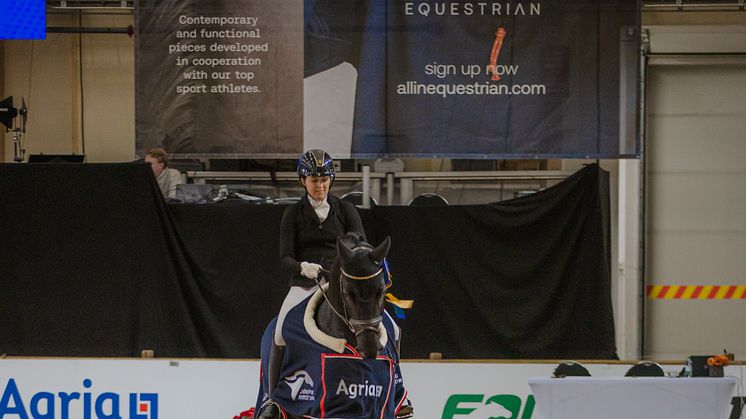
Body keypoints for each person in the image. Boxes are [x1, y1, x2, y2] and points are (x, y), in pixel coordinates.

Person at [262, 149, 366, 418]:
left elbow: (362, 245)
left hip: (340, 284)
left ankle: (400, 394)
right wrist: (302, 267)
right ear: (302, 181)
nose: (319, 186)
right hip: (305, 283)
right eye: (313, 180)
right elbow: (284, 258)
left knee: (391, 329)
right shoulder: (293, 214)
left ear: (330, 180)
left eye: (324, 180)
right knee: (281, 330)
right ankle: (273, 399)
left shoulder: (346, 210)